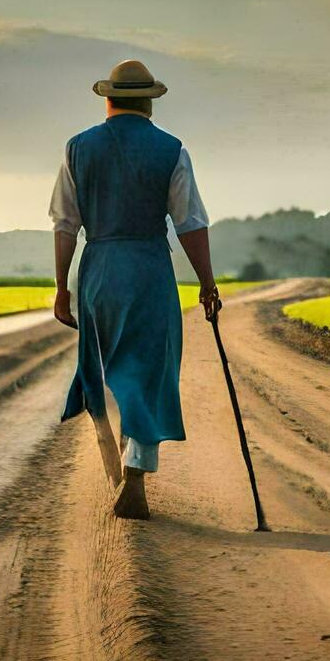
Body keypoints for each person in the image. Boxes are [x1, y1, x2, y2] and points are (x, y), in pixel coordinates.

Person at [49, 59, 221, 519]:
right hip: (147, 268)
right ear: (149, 102)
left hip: (99, 268)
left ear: (108, 99)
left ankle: (114, 460)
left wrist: (62, 288)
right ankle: (135, 474)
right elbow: (190, 223)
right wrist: (207, 283)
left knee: (101, 367)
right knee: (147, 369)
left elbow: (65, 224)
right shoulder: (171, 150)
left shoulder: (77, 149)